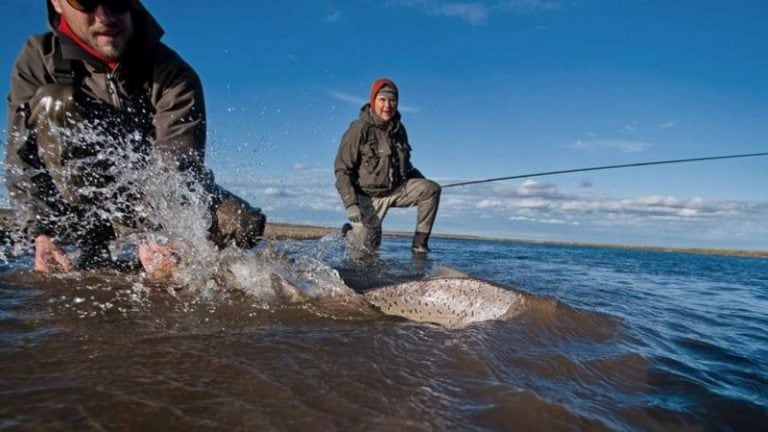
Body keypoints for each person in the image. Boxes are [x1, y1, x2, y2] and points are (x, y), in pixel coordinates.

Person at [5, 0, 266, 275]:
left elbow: (177, 164)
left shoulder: (175, 75)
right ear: (57, 3)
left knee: (243, 222)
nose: (104, 17)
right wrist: (42, 233)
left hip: (147, 195)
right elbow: (22, 157)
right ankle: (91, 242)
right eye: (84, 1)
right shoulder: (38, 57)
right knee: (54, 101)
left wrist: (156, 229)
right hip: (75, 200)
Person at [334, 78, 441, 255]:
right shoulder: (359, 128)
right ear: (373, 101)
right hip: (366, 198)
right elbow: (341, 168)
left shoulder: (400, 130)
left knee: (431, 189)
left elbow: (406, 168)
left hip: (394, 191)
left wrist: (422, 182)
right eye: (382, 99)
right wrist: (350, 204)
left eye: (392, 100)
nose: (387, 105)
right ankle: (348, 233)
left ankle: (419, 246)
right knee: (365, 254)